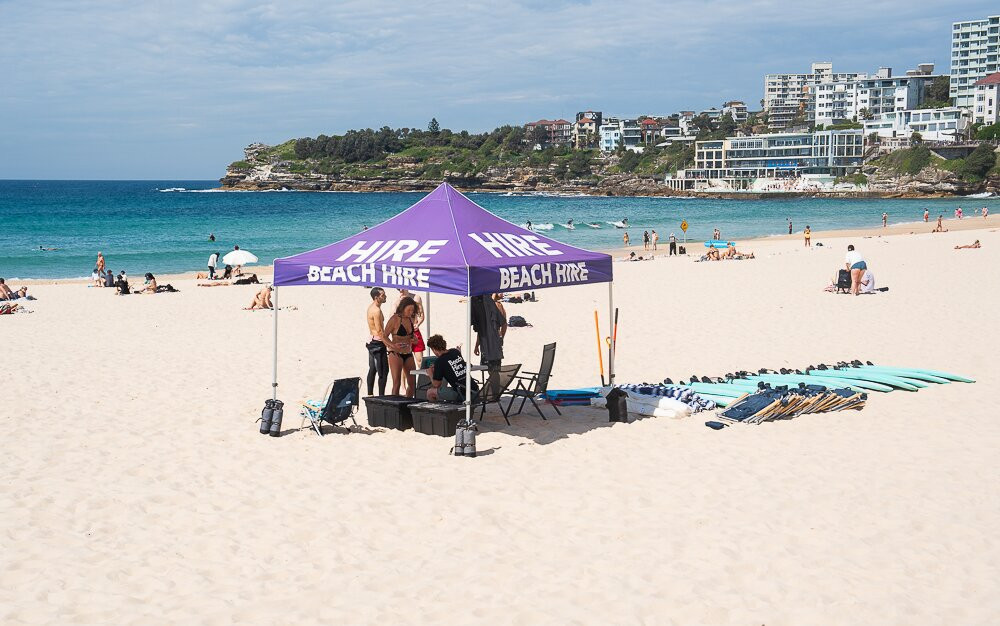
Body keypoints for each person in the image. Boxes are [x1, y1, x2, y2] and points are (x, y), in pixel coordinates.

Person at [425, 334, 478, 404]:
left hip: (463, 394)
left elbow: (436, 384)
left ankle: (437, 412)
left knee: (430, 392)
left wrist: (430, 373)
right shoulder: (455, 352)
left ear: (434, 349)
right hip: (475, 390)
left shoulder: (440, 361)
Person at [383, 296, 418, 397]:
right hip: (395, 353)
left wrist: (414, 339)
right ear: (403, 308)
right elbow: (384, 336)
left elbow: (412, 335)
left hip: (408, 353)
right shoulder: (395, 319)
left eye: (412, 310)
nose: (411, 312)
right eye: (409, 309)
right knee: (396, 383)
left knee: (412, 383)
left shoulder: (411, 319)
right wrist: (392, 345)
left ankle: (407, 403)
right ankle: (395, 407)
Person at [366, 288, 388, 396]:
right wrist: (389, 344)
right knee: (383, 372)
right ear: (376, 297)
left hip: (372, 341)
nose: (385, 296)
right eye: (383, 295)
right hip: (377, 343)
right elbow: (379, 331)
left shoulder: (374, 307)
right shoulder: (376, 310)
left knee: (373, 369)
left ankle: (370, 394)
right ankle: (381, 397)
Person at [394, 288, 425, 366]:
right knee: (404, 361)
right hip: (403, 333)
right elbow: (393, 318)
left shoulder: (416, 298)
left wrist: (418, 324)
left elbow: (421, 315)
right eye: (398, 289)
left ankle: (423, 377)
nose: (401, 291)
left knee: (420, 360)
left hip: (414, 331)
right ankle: (403, 379)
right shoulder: (397, 301)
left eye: (402, 288)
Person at [474, 293, 507, 361]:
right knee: (495, 366)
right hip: (496, 339)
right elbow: (504, 324)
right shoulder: (499, 305)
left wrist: (477, 345)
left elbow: (481, 329)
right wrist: (501, 337)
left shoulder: (484, 307)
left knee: (487, 366)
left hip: (486, 340)